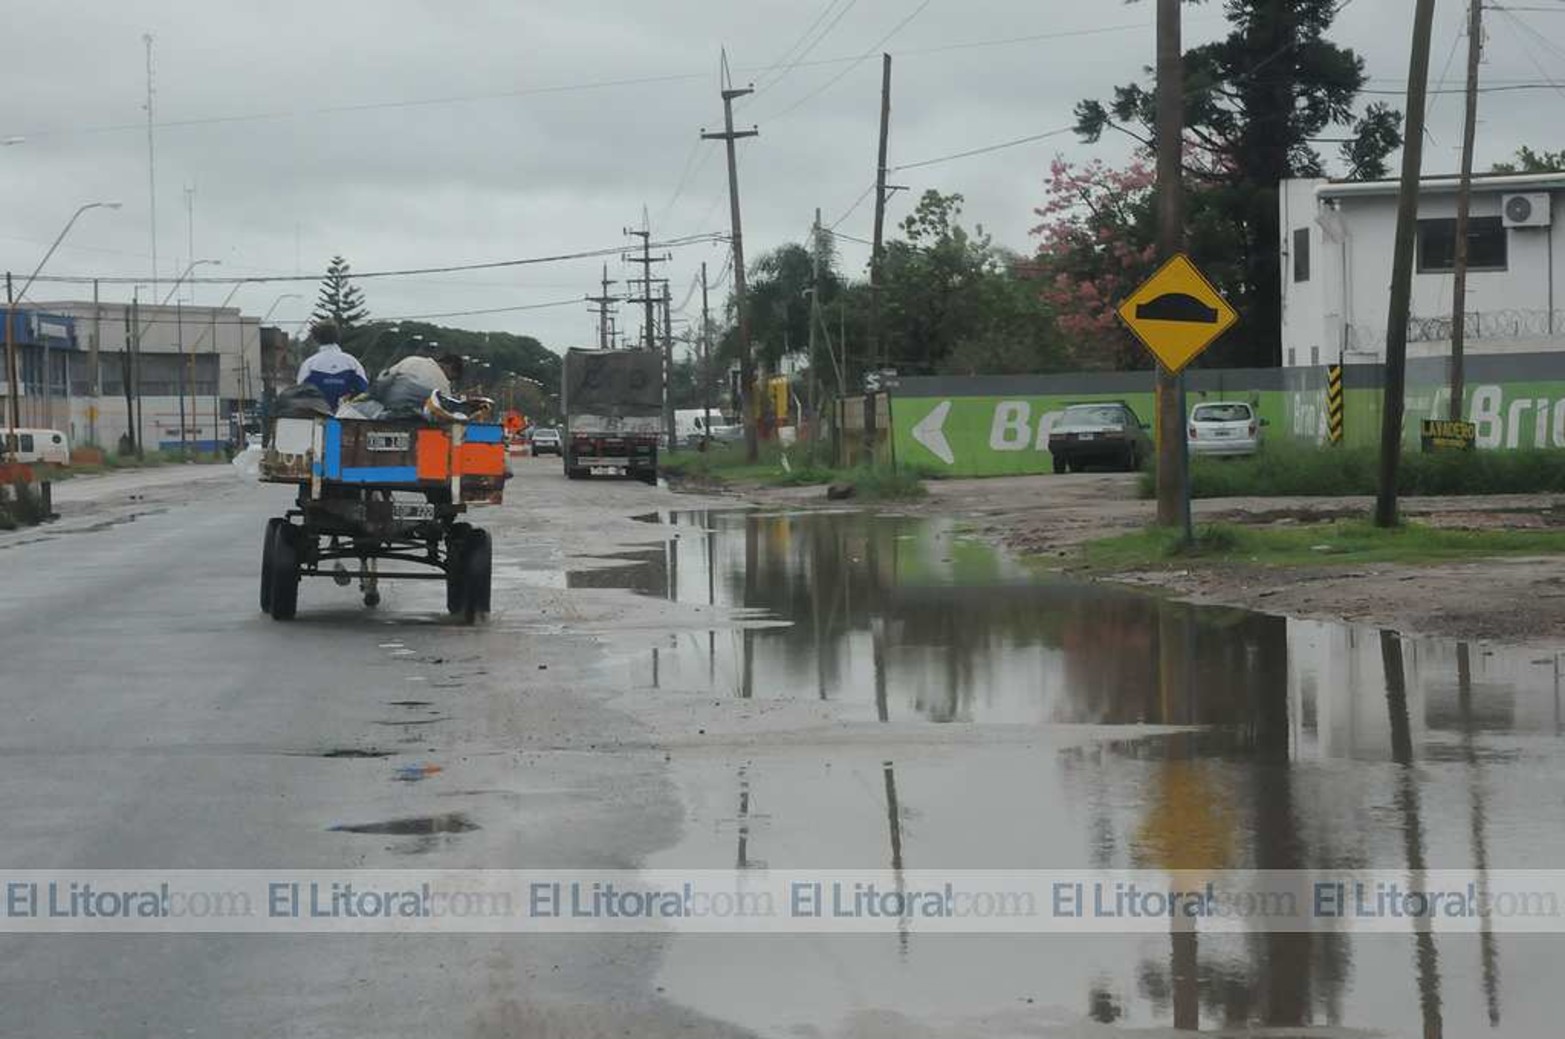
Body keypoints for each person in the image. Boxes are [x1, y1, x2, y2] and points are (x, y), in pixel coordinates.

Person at [295, 321, 369, 408]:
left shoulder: (309, 364)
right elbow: (363, 390)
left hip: (317, 413)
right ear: (337, 337)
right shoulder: (352, 362)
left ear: (316, 339)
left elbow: (300, 393)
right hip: (346, 414)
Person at [380, 352, 465, 395]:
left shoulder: (411, 359)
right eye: (450, 378)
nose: (449, 381)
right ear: (449, 367)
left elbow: (383, 378)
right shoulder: (443, 384)